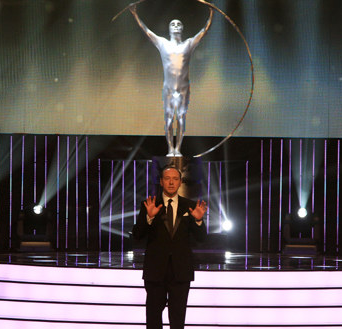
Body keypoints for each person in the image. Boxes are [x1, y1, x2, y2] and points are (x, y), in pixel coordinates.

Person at [130, 6, 213, 157]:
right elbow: (147, 31)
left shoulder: (188, 44)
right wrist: (135, 14)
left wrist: (212, 13)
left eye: (178, 24)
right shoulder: (162, 43)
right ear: (169, 29)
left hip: (183, 88)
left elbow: (204, 31)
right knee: (168, 120)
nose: (175, 26)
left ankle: (178, 149)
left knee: (181, 119)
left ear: (182, 28)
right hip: (168, 88)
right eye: (173, 24)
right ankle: (170, 149)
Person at [132, 165, 208, 329]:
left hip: (180, 272)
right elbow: (137, 235)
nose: (171, 182)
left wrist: (198, 221)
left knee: (178, 318)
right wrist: (148, 217)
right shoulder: (149, 204)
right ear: (161, 182)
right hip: (155, 271)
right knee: (153, 316)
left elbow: (201, 239)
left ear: (180, 182)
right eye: (167, 179)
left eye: (175, 179)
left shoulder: (190, 205)